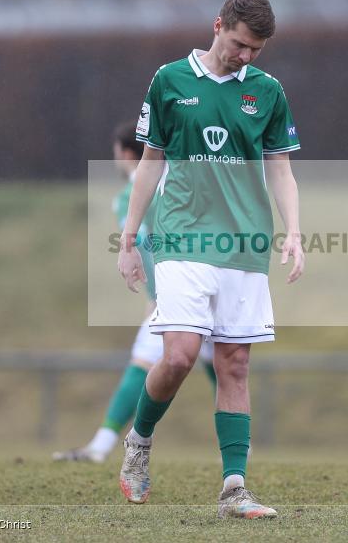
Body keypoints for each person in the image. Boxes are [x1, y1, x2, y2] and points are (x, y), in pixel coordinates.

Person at [117, 0, 304, 519]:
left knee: (235, 363)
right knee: (177, 356)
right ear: (218, 25)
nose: (247, 57)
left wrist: (294, 231)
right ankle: (140, 439)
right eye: (241, 44)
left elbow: (281, 169)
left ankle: (234, 488)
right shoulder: (170, 80)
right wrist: (129, 239)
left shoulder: (268, 92)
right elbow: (151, 162)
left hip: (244, 244)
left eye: (257, 50)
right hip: (180, 236)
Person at [53, 122, 217, 464]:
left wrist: (158, 294)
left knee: (188, 364)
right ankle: (236, 450)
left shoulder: (138, 193)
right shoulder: (168, 183)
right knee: (219, 365)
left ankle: (105, 446)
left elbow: (154, 244)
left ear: (126, 153)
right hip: (194, 285)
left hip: (185, 291)